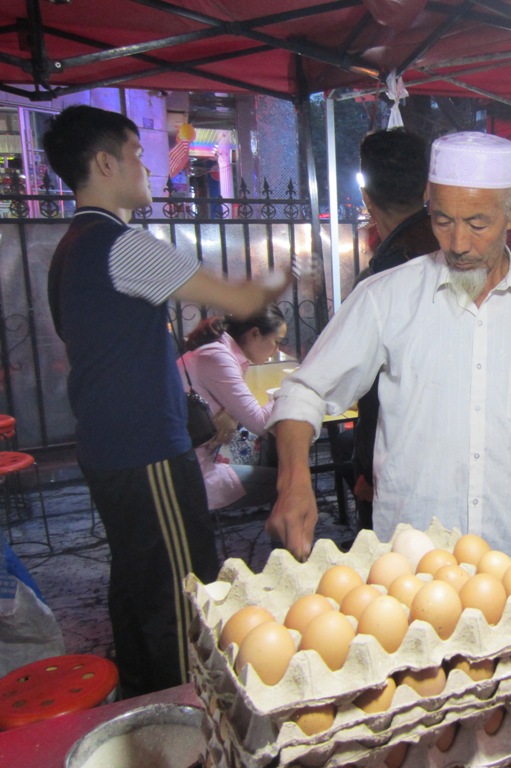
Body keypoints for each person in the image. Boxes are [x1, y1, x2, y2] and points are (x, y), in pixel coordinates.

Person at [265, 131, 511, 608]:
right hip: (412, 571)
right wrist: (293, 479)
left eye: (477, 223)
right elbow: (305, 391)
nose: (458, 243)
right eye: (442, 221)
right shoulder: (386, 298)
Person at [44, 104, 291, 697]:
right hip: (148, 447)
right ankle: (191, 710)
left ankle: (142, 698)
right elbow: (237, 293)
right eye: (136, 158)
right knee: (183, 585)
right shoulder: (123, 244)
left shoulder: (68, 250)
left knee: (137, 577)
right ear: (104, 163)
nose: (149, 171)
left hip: (107, 449)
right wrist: (280, 278)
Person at [350, 128, 440, 529]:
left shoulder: (381, 280)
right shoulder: (456, 251)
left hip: (401, 466)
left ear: (367, 199)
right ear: (426, 188)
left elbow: (370, 390)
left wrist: (367, 466)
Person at [177, 307, 286, 512]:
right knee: (285, 484)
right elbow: (261, 423)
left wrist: (231, 414)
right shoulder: (220, 358)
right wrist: (288, 390)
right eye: (276, 342)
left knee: (271, 449)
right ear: (254, 334)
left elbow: (236, 405)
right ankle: (283, 542)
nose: (277, 350)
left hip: (191, 458)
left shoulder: (219, 350)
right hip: (192, 473)